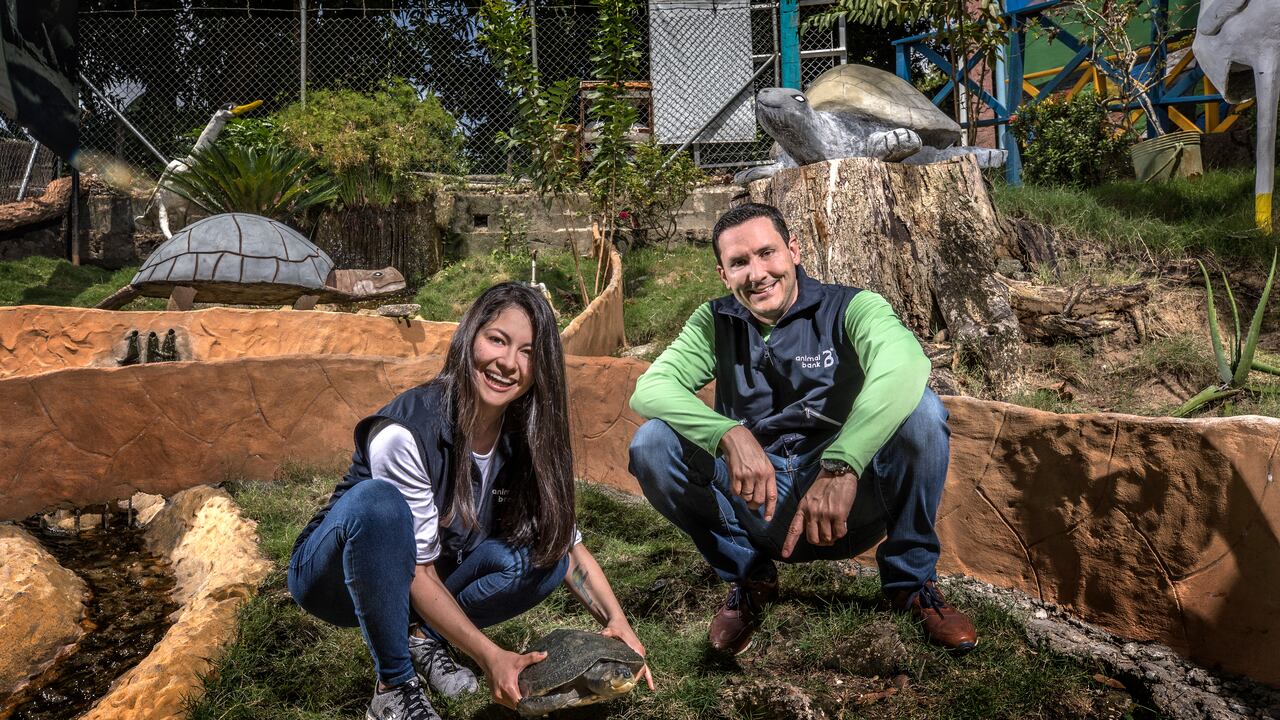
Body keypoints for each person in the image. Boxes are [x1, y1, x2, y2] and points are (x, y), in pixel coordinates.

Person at [289, 282, 653, 720]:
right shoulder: (405, 430)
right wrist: (490, 656)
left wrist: (616, 622)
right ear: (469, 338)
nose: (507, 362)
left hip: (430, 571)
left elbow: (570, 550)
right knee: (378, 502)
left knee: (547, 558)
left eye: (528, 351)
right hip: (335, 578)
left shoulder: (526, 437)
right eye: (497, 340)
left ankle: (425, 639)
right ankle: (394, 686)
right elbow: (416, 572)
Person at [628, 202, 976, 656]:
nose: (757, 274)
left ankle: (911, 585)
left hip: (846, 505)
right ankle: (749, 577)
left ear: (793, 250)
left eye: (767, 253)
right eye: (739, 263)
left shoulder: (853, 307)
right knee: (652, 443)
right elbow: (650, 388)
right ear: (723, 274)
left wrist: (842, 464)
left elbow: (905, 364)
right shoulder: (715, 322)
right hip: (758, 502)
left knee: (922, 412)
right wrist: (728, 434)